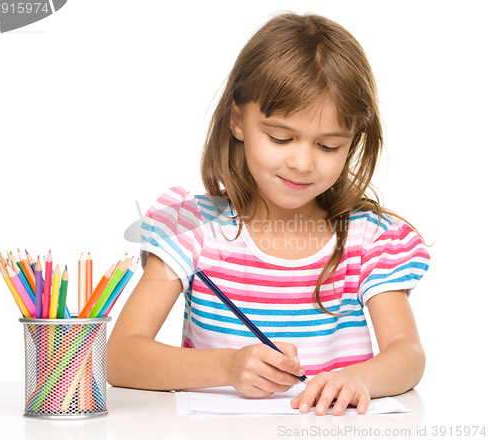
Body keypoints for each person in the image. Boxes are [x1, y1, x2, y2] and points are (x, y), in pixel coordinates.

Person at [107, 12, 430, 416]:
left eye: (329, 146)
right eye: (281, 137)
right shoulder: (190, 228)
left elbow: (408, 354)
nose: (302, 162)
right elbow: (119, 357)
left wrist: (362, 377)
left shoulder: (370, 239)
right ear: (238, 120)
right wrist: (228, 366)